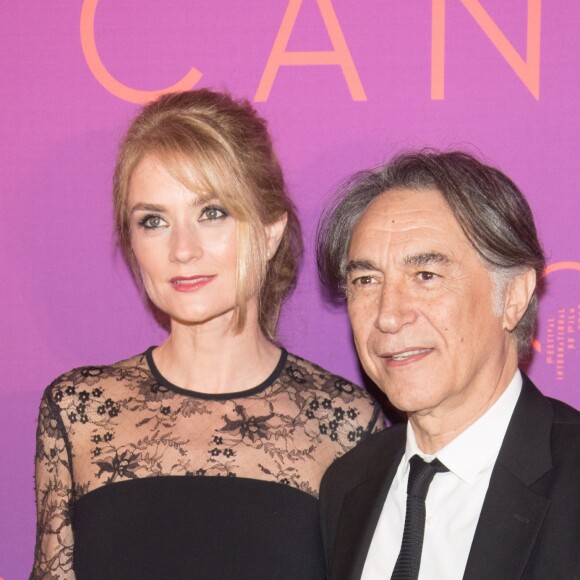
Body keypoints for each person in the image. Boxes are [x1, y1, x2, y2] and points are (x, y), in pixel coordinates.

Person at [31, 89, 384, 580]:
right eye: (153, 221)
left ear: (269, 232)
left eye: (212, 212)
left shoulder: (347, 424)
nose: (181, 249)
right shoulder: (79, 411)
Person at [316, 151, 580, 580]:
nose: (387, 314)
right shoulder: (347, 485)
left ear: (512, 296)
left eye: (425, 276)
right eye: (366, 281)